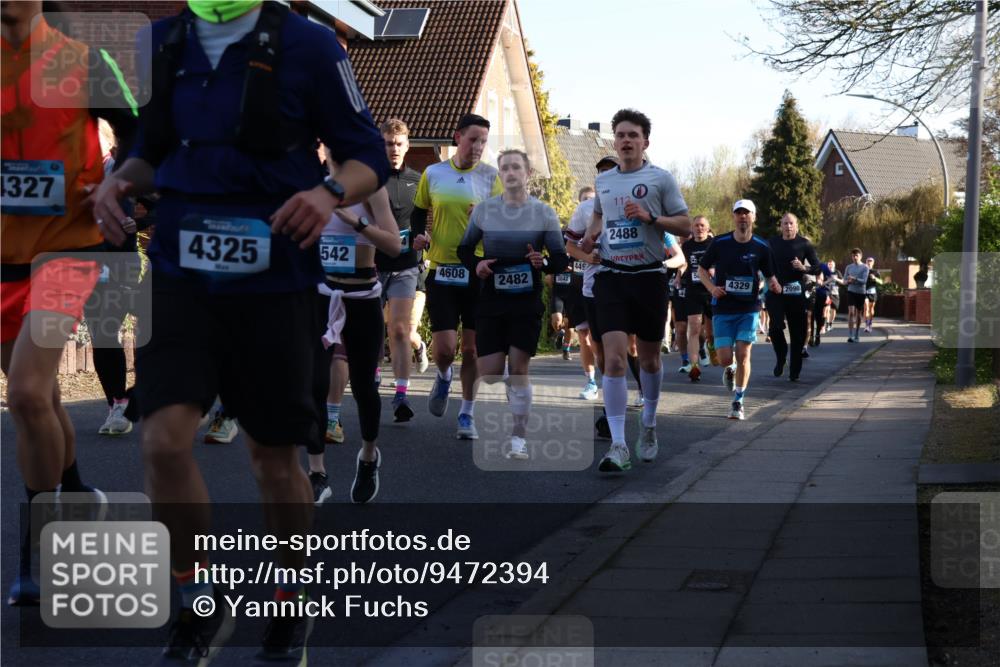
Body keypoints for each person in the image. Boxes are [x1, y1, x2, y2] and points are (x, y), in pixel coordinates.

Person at [89, 1, 389, 661]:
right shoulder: (159, 43)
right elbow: (150, 151)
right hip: (179, 273)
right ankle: (198, 596)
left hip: (274, 277)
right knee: (163, 441)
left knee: (273, 459)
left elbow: (367, 153)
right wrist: (118, 183)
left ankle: (290, 599)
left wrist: (328, 193)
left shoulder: (311, 44)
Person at [2, 0, 137, 605]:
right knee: (46, 399)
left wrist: (113, 182)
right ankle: (79, 491)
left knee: (27, 393)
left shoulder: (84, 61)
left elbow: (142, 136)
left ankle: (35, 553)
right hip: (3, 258)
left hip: (67, 251)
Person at [580, 109, 691, 472]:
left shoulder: (661, 179)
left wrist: (650, 218)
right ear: (615, 140)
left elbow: (686, 226)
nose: (626, 140)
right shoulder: (605, 181)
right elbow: (598, 214)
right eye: (621, 135)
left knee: (649, 360)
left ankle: (649, 425)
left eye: (633, 135)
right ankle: (617, 444)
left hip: (649, 278)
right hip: (611, 276)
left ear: (645, 142)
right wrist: (590, 235)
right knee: (611, 359)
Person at [457, 149, 568, 459]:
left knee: (519, 369)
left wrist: (542, 261)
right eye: (504, 168)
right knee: (491, 372)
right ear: (500, 175)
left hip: (526, 300)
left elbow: (560, 259)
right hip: (492, 296)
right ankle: (499, 387)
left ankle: (518, 439)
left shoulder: (544, 213)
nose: (509, 172)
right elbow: (465, 249)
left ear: (528, 173)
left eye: (516, 167)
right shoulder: (485, 211)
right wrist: (477, 265)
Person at [411, 113, 502, 439]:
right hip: (442, 270)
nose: (478, 146)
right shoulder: (433, 173)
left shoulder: (492, 177)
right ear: (458, 137)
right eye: (473, 139)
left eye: (484, 141)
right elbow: (419, 209)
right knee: (446, 348)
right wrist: (418, 236)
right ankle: (445, 375)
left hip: (478, 270)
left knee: (473, 349)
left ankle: (467, 413)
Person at [698, 200, 780, 420]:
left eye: (747, 213)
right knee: (725, 358)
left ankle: (738, 401)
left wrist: (774, 283)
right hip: (723, 308)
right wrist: (712, 288)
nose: (742, 217)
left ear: (754, 217)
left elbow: (770, 273)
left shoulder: (762, 246)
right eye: (739, 213)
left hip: (748, 308)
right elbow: (701, 269)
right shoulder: (720, 242)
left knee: (744, 354)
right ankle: (730, 367)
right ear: (734, 217)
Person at [565, 155, 620, 437]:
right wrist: (590, 256)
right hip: (593, 286)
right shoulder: (586, 209)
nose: (606, 178)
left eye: (612, 172)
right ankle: (609, 407)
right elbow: (570, 247)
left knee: (628, 349)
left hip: (627, 285)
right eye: (601, 174)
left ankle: (639, 397)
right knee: (601, 348)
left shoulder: (633, 205)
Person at [375, 118, 423, 422]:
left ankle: (402, 396)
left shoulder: (418, 181)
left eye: (399, 144)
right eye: (389, 143)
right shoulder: (370, 178)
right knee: (372, 331)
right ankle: (374, 378)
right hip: (373, 264)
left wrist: (425, 240)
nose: (394, 149)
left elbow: (426, 220)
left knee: (401, 329)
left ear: (407, 146)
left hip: (405, 266)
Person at [765, 212, 822, 381]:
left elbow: (818, 268)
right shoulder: (772, 243)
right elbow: (763, 264)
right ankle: (781, 357)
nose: (788, 226)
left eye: (791, 223)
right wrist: (770, 279)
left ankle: (794, 371)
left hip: (796, 293)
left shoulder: (804, 244)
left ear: (796, 226)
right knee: (774, 328)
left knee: (798, 333)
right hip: (776, 291)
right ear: (780, 226)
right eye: (785, 223)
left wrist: (803, 268)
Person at [678, 216, 715, 380]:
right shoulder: (687, 246)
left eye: (702, 225)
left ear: (708, 228)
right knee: (693, 328)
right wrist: (679, 275)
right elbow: (683, 263)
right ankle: (694, 367)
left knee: (711, 332)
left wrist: (714, 270)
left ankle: (711, 345)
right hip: (693, 291)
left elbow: (722, 262)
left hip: (712, 291)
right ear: (692, 229)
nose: (699, 228)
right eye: (696, 226)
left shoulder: (713, 244)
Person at [843, 248, 869, 342]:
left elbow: (864, 281)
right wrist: (848, 281)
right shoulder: (848, 267)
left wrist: (854, 279)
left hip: (861, 292)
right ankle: (850, 335)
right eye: (853, 256)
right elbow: (844, 281)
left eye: (856, 256)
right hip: (851, 291)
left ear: (860, 256)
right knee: (851, 312)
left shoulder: (865, 267)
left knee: (858, 314)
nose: (854, 257)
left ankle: (857, 333)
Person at [824, 259, 844, 333]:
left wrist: (836, 279)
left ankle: (830, 323)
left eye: (831, 264)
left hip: (835, 293)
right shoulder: (825, 272)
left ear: (834, 265)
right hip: (827, 293)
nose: (830, 265)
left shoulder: (837, 272)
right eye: (829, 264)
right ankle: (826, 323)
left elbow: (843, 281)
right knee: (827, 308)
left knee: (833, 310)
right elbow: (821, 281)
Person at [863, 256, 882, 332]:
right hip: (864, 292)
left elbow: (881, 282)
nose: (869, 262)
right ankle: (866, 325)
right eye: (868, 261)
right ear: (866, 262)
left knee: (871, 309)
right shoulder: (863, 271)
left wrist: (875, 278)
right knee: (866, 307)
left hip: (872, 292)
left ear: (873, 263)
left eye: (871, 261)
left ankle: (870, 323)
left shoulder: (876, 271)